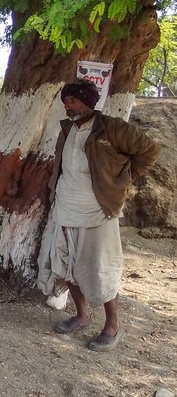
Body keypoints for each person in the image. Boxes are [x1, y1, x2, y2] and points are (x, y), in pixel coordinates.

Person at [38, 80, 159, 352]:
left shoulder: (112, 128)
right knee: (68, 267)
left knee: (100, 269)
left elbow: (149, 151)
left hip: (98, 210)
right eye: (65, 100)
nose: (67, 104)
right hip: (65, 208)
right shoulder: (67, 129)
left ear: (88, 102)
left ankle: (112, 327)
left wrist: (124, 178)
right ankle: (82, 315)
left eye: (73, 100)